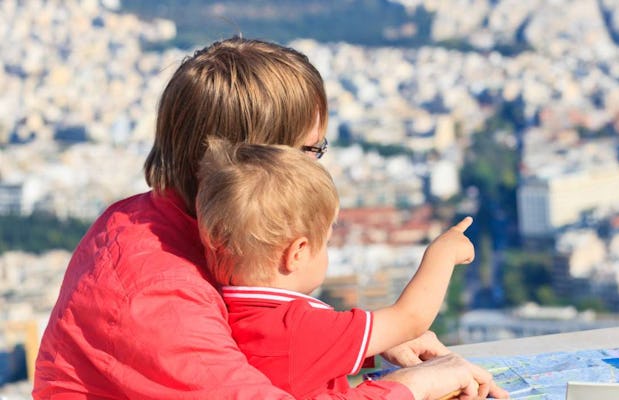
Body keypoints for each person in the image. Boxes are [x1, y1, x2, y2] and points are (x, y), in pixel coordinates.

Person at [34, 37, 504, 400]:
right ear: (256, 162)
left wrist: (354, 344)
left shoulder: (153, 220)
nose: (318, 166)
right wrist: (408, 387)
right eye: (309, 151)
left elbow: (251, 333)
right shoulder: (156, 294)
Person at [194, 139, 501, 399]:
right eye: (326, 241)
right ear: (297, 253)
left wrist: (378, 347)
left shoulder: (218, 314)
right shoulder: (298, 325)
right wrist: (442, 254)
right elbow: (410, 318)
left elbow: (295, 360)